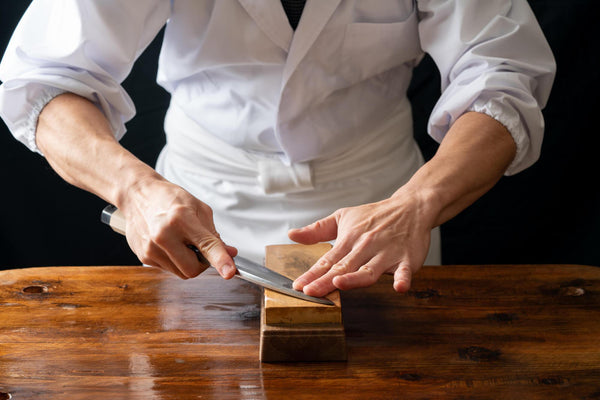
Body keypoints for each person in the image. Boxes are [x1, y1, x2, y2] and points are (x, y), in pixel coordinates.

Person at [0, 1, 555, 297]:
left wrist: (416, 205)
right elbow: (47, 80)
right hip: (197, 210)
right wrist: (135, 189)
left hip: (381, 209)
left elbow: (504, 78)